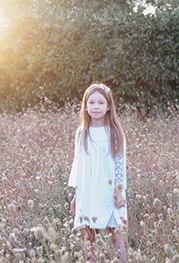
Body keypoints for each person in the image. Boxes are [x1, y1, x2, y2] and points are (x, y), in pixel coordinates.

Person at [68, 82, 128, 262]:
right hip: (88, 189)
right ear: (85, 106)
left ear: (108, 106)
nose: (96, 107)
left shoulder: (114, 132)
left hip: (110, 189)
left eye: (101, 103)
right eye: (91, 103)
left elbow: (119, 164)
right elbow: (79, 164)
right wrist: (77, 194)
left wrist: (118, 191)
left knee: (115, 232)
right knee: (90, 234)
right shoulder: (82, 133)